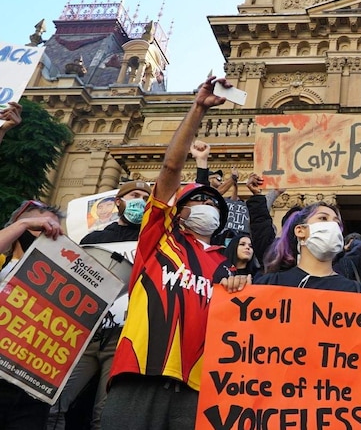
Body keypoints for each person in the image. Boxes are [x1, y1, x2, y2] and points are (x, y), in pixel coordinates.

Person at [100, 76, 250, 430]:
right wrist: (198, 109)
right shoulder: (158, 236)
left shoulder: (223, 264)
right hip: (139, 372)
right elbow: (170, 167)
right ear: (177, 210)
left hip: (198, 387)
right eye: (196, 200)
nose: (206, 207)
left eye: (213, 203)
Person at [45, 181, 152, 430]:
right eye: (135, 195)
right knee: (54, 401)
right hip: (84, 333)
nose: (140, 201)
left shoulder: (152, 240)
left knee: (106, 416)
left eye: (146, 197)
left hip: (124, 336)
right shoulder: (94, 238)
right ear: (118, 202)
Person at [0, 200, 64, 429]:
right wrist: (25, 223)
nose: (49, 235)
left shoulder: (62, 283)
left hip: (32, 388)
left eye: (55, 231)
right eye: (42, 227)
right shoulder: (2, 263)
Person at [256, 201, 361, 304]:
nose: (333, 225)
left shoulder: (357, 291)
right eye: (323, 218)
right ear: (300, 231)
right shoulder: (270, 284)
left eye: (337, 223)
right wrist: (236, 287)